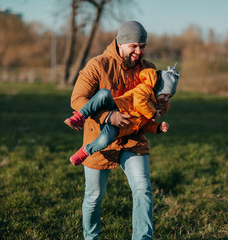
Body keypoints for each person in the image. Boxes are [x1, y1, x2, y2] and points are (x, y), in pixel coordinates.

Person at [69, 21, 173, 240]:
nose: (139, 51)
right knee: (94, 196)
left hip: (133, 137)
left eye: (142, 46)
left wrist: (163, 103)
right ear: (120, 42)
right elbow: (77, 99)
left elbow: (160, 105)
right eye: (134, 46)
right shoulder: (98, 65)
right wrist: (108, 116)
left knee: (143, 190)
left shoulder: (149, 69)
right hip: (100, 136)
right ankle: (90, 238)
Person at [65, 66, 180, 166]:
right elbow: (139, 102)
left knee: (105, 140)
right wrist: (153, 113)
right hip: (116, 106)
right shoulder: (145, 89)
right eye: (165, 95)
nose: (166, 99)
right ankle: (80, 117)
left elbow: (144, 124)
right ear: (158, 88)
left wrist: (157, 127)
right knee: (104, 93)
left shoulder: (156, 107)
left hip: (120, 125)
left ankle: (85, 151)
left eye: (169, 97)